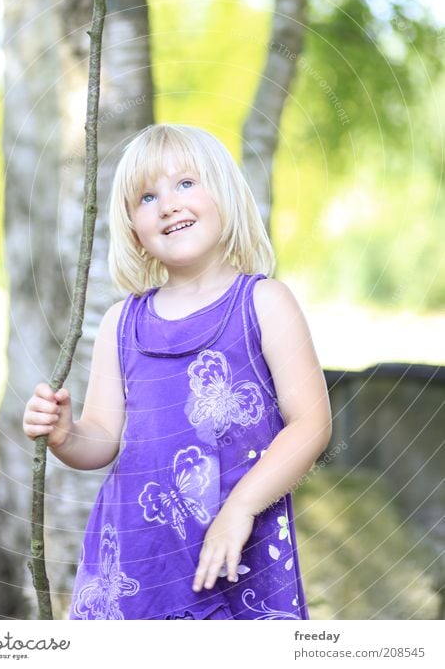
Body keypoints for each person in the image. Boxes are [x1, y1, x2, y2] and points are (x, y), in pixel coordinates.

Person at [23, 123, 332, 620]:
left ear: (226, 196)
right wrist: (66, 435)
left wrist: (240, 509)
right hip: (136, 561)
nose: (168, 204)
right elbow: (102, 438)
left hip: (235, 550)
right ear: (132, 230)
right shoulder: (122, 323)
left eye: (186, 184)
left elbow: (311, 424)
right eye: (147, 196)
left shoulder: (264, 304)